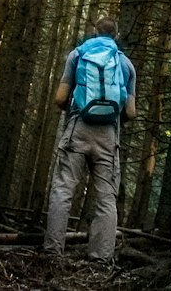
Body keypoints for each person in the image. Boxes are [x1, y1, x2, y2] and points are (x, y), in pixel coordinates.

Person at [42, 16, 136, 263]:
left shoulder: (77, 55)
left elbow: (60, 98)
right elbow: (130, 112)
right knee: (106, 197)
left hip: (78, 127)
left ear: (95, 33)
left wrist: (78, 109)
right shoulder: (125, 65)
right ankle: (101, 258)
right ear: (116, 36)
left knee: (63, 188)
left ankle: (52, 252)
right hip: (108, 136)